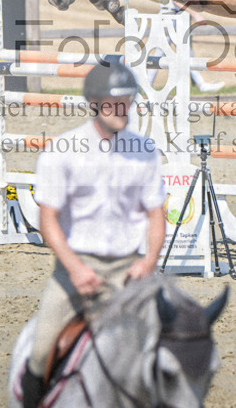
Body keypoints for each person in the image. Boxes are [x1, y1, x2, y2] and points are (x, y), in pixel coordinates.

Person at [19, 61, 166, 407]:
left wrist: (149, 262)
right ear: (94, 103)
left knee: (170, 347)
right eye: (115, 103)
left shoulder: (145, 151)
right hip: (75, 270)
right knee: (40, 353)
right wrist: (75, 269)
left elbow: (156, 215)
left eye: (128, 101)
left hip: (130, 269)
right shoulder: (62, 151)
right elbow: (48, 221)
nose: (124, 109)